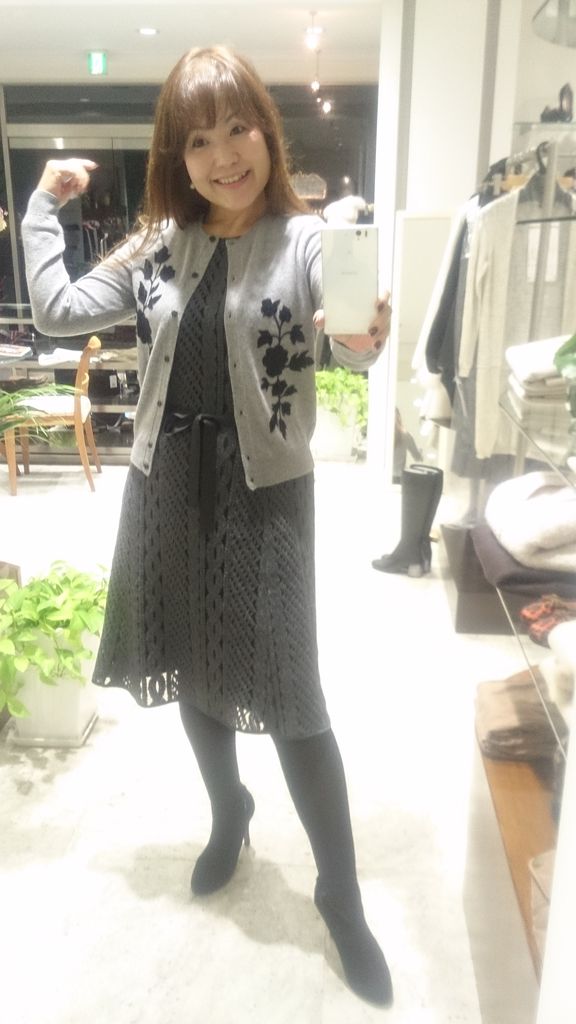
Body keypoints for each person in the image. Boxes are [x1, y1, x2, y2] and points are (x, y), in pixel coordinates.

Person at [21, 45, 392, 1007]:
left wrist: (361, 339)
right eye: (197, 140)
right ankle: (229, 809)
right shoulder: (157, 243)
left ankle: (340, 891)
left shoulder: (304, 240)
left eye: (237, 129)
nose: (223, 155)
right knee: (191, 660)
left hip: (265, 493)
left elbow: (352, 342)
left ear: (267, 133)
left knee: (293, 696)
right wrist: (42, 209)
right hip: (165, 484)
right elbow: (56, 311)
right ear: (175, 158)